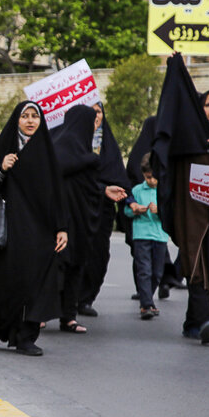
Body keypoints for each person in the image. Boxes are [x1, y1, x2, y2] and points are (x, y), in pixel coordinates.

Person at [151, 55, 209, 345]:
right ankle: (207, 319)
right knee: (196, 262)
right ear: (200, 109)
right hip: (191, 213)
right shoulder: (189, 138)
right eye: (208, 104)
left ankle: (192, 322)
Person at [0, 102, 67, 356]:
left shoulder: (48, 152)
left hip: (42, 231)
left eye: (35, 116)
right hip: (11, 231)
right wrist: (1, 170)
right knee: (10, 282)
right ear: (17, 121)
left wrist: (62, 228)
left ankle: (27, 336)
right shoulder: (6, 150)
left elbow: (58, 194)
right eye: (25, 116)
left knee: (38, 284)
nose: (30, 121)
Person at [76, 101, 133, 317]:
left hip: (101, 211)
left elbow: (118, 175)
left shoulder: (108, 145)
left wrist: (124, 197)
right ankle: (66, 300)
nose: (95, 115)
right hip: (75, 209)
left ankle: (85, 299)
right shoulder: (70, 141)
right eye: (90, 111)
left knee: (98, 255)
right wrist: (100, 188)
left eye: (98, 111)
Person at [125, 157, 169, 320]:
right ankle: (146, 304)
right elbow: (127, 212)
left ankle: (148, 299)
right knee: (144, 270)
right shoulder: (137, 190)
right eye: (147, 177)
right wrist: (135, 210)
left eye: (153, 177)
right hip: (141, 235)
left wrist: (160, 211)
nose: (151, 180)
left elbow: (172, 214)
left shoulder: (165, 190)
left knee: (157, 272)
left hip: (160, 236)